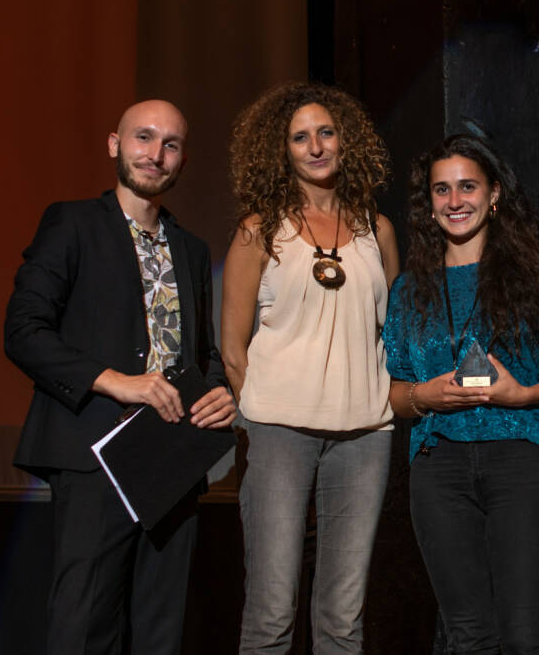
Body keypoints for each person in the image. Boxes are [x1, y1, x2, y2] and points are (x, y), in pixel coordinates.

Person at [4, 100, 237, 655]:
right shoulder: (72, 222)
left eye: (171, 144)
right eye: (144, 138)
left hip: (172, 453)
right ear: (115, 144)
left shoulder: (192, 248)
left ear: (182, 159)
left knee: (162, 627)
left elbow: (200, 353)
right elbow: (24, 331)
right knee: (84, 627)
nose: (155, 155)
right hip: (94, 452)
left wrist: (219, 393)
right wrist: (114, 379)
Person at [381, 134, 539, 654]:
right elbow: (392, 395)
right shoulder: (409, 290)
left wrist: (523, 395)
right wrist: (426, 396)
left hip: (521, 460)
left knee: (525, 636)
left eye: (467, 186)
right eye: (441, 190)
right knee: (468, 635)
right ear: (428, 204)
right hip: (438, 471)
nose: (455, 201)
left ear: (494, 193)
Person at [221, 82, 399, 654]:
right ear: (283, 150)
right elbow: (232, 347)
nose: (316, 146)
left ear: (346, 140)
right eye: (301, 137)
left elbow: (391, 332)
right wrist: (263, 417)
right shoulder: (257, 231)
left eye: (326, 132)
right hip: (280, 432)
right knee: (272, 613)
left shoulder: (379, 230)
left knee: (343, 620)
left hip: (366, 436)